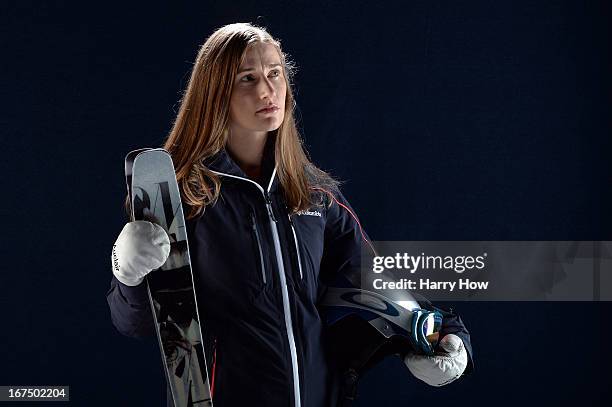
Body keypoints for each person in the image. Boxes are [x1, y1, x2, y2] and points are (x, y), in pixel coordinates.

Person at [107, 22, 473, 407]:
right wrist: (127, 274)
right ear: (215, 93)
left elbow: (373, 283)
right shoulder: (184, 197)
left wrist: (448, 335)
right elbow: (141, 324)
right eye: (247, 78)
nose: (267, 91)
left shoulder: (314, 196)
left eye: (275, 74)